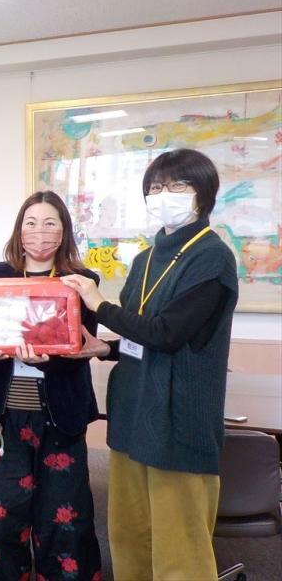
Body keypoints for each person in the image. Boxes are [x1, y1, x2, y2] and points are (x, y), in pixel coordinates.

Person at [61, 148, 238, 580]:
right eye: (156, 187)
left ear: (203, 194)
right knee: (129, 536)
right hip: (132, 414)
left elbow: (167, 333)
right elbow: (141, 336)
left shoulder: (212, 257)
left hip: (178, 422)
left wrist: (98, 304)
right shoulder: (145, 259)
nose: (164, 195)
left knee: (180, 548)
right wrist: (105, 350)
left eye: (178, 185)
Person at [0, 191, 103, 580]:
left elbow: (83, 346)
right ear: (19, 229)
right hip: (2, 416)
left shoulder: (82, 281)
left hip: (60, 415)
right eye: (31, 223)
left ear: (63, 231)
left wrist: (51, 357)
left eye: (49, 223)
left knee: (64, 517)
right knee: (0, 516)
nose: (39, 232)